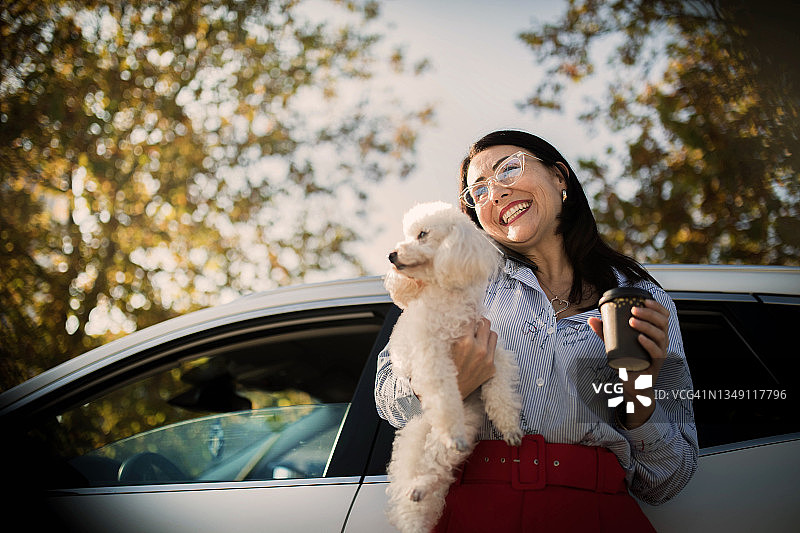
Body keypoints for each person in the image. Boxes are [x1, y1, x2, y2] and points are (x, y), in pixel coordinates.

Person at [375, 130, 697, 532]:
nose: (494, 193)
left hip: (595, 514)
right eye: (478, 192)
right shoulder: (457, 280)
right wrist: (447, 388)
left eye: (508, 169)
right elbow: (387, 397)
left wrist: (639, 390)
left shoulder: (643, 300)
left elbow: (666, 481)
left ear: (559, 177)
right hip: (473, 510)